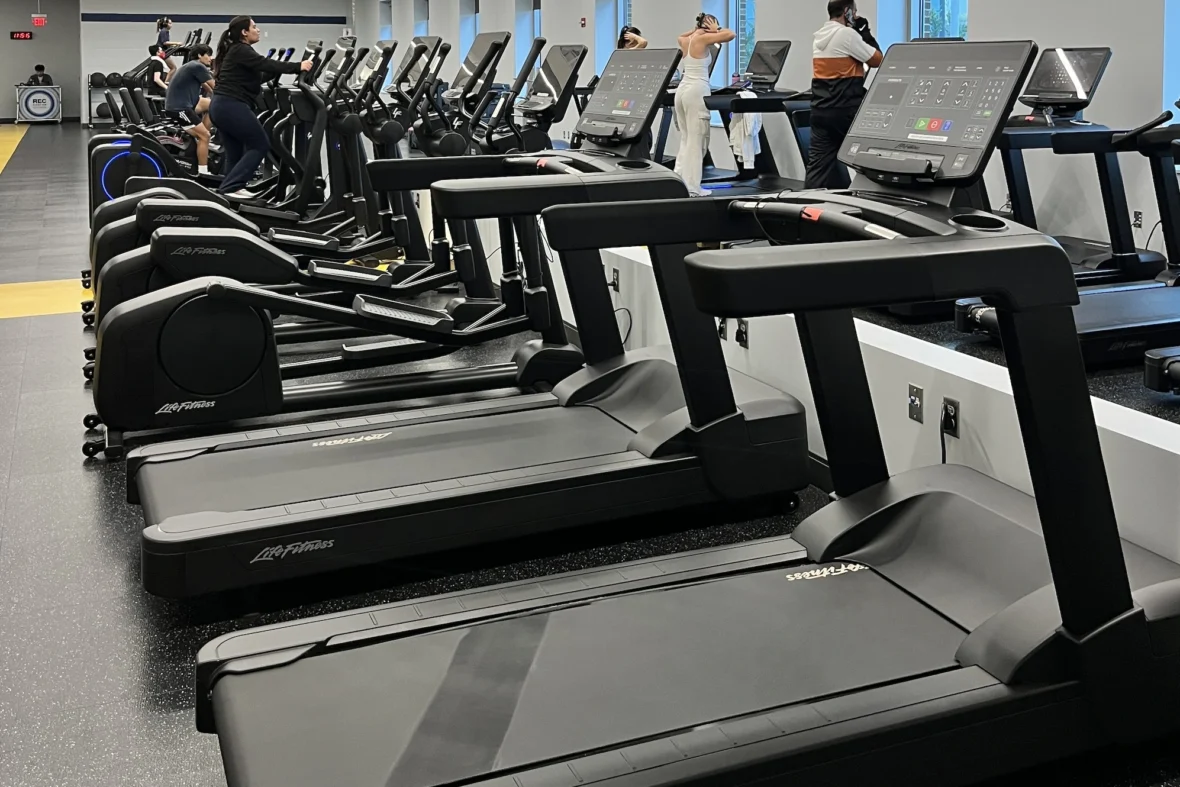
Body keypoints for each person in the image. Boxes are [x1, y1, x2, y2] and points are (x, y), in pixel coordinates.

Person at [210, 16, 312, 198]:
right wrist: (299, 66)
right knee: (260, 144)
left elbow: (257, 77)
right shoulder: (242, 49)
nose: (257, 30)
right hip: (230, 105)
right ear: (244, 32)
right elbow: (265, 63)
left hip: (221, 106)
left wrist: (276, 71)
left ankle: (230, 192)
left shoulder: (236, 51)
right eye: (254, 27)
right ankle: (230, 188)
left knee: (235, 152)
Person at [805, 0, 882, 189]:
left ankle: (807, 208)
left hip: (820, 110)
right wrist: (865, 32)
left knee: (818, 167)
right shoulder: (847, 34)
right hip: (845, 110)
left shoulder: (820, 36)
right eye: (853, 13)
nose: (855, 17)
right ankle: (876, 203)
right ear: (846, 12)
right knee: (869, 159)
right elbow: (877, 59)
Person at [673, 13, 734, 196]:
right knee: (696, 141)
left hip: (682, 90)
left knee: (686, 139)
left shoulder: (687, 40)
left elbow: (680, 36)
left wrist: (697, 28)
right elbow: (731, 35)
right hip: (696, 91)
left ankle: (679, 181)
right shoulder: (704, 38)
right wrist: (716, 30)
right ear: (709, 25)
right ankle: (693, 188)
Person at [166, 43, 216, 175]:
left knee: (212, 105)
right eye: (208, 55)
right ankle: (203, 172)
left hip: (187, 104)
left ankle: (203, 140)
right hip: (179, 109)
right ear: (200, 55)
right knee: (205, 136)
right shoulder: (197, 66)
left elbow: (210, 88)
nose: (211, 58)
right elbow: (216, 86)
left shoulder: (192, 67)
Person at [156, 17, 181, 82]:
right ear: (165, 24)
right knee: (173, 68)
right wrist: (176, 43)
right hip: (162, 52)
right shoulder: (164, 31)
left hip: (163, 51)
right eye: (170, 23)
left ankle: (166, 82)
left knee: (173, 68)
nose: (171, 25)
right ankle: (166, 83)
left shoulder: (165, 31)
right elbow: (165, 42)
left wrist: (173, 45)